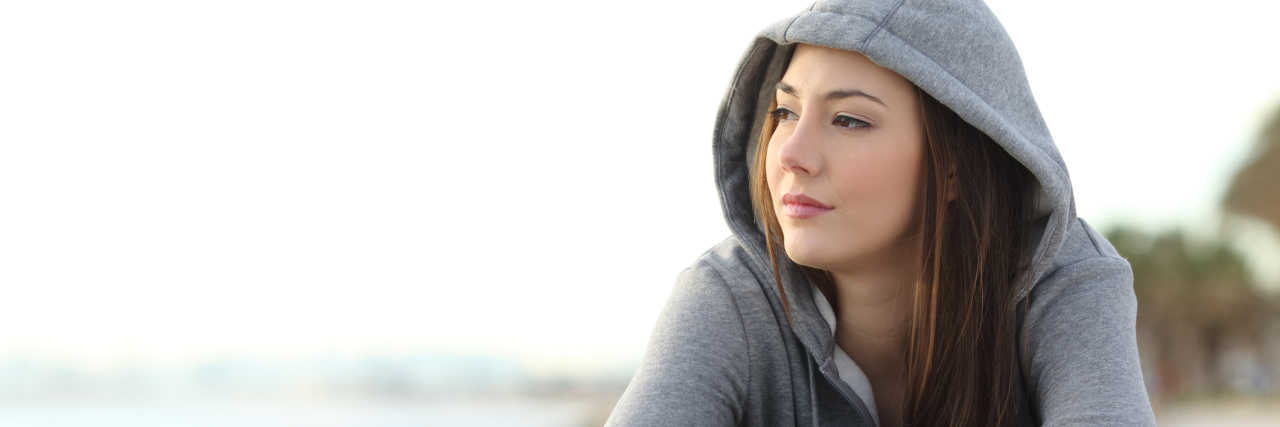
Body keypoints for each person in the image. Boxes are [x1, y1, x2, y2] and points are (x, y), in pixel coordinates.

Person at [606, 1, 1157, 426]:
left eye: (848, 120)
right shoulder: (730, 296)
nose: (791, 153)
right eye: (785, 111)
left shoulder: (1064, 284)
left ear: (954, 169)